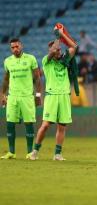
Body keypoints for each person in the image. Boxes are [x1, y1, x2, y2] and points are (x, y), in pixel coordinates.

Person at [30, 27, 78, 161]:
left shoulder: (64, 61)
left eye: (59, 48)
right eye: (55, 48)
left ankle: (57, 154)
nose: (58, 50)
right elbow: (52, 52)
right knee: (45, 125)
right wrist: (58, 37)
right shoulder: (47, 61)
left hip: (64, 96)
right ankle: (35, 151)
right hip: (51, 95)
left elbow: (74, 46)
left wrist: (62, 35)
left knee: (62, 126)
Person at [1, 38, 41, 160]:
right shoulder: (7, 61)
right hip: (12, 96)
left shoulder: (31, 59)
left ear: (21, 46)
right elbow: (6, 79)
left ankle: (30, 152)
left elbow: (37, 78)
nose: (15, 49)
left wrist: (38, 95)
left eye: (17, 46)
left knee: (29, 122)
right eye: (12, 47)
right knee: (10, 123)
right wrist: (2, 94)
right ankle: (11, 152)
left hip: (27, 96)